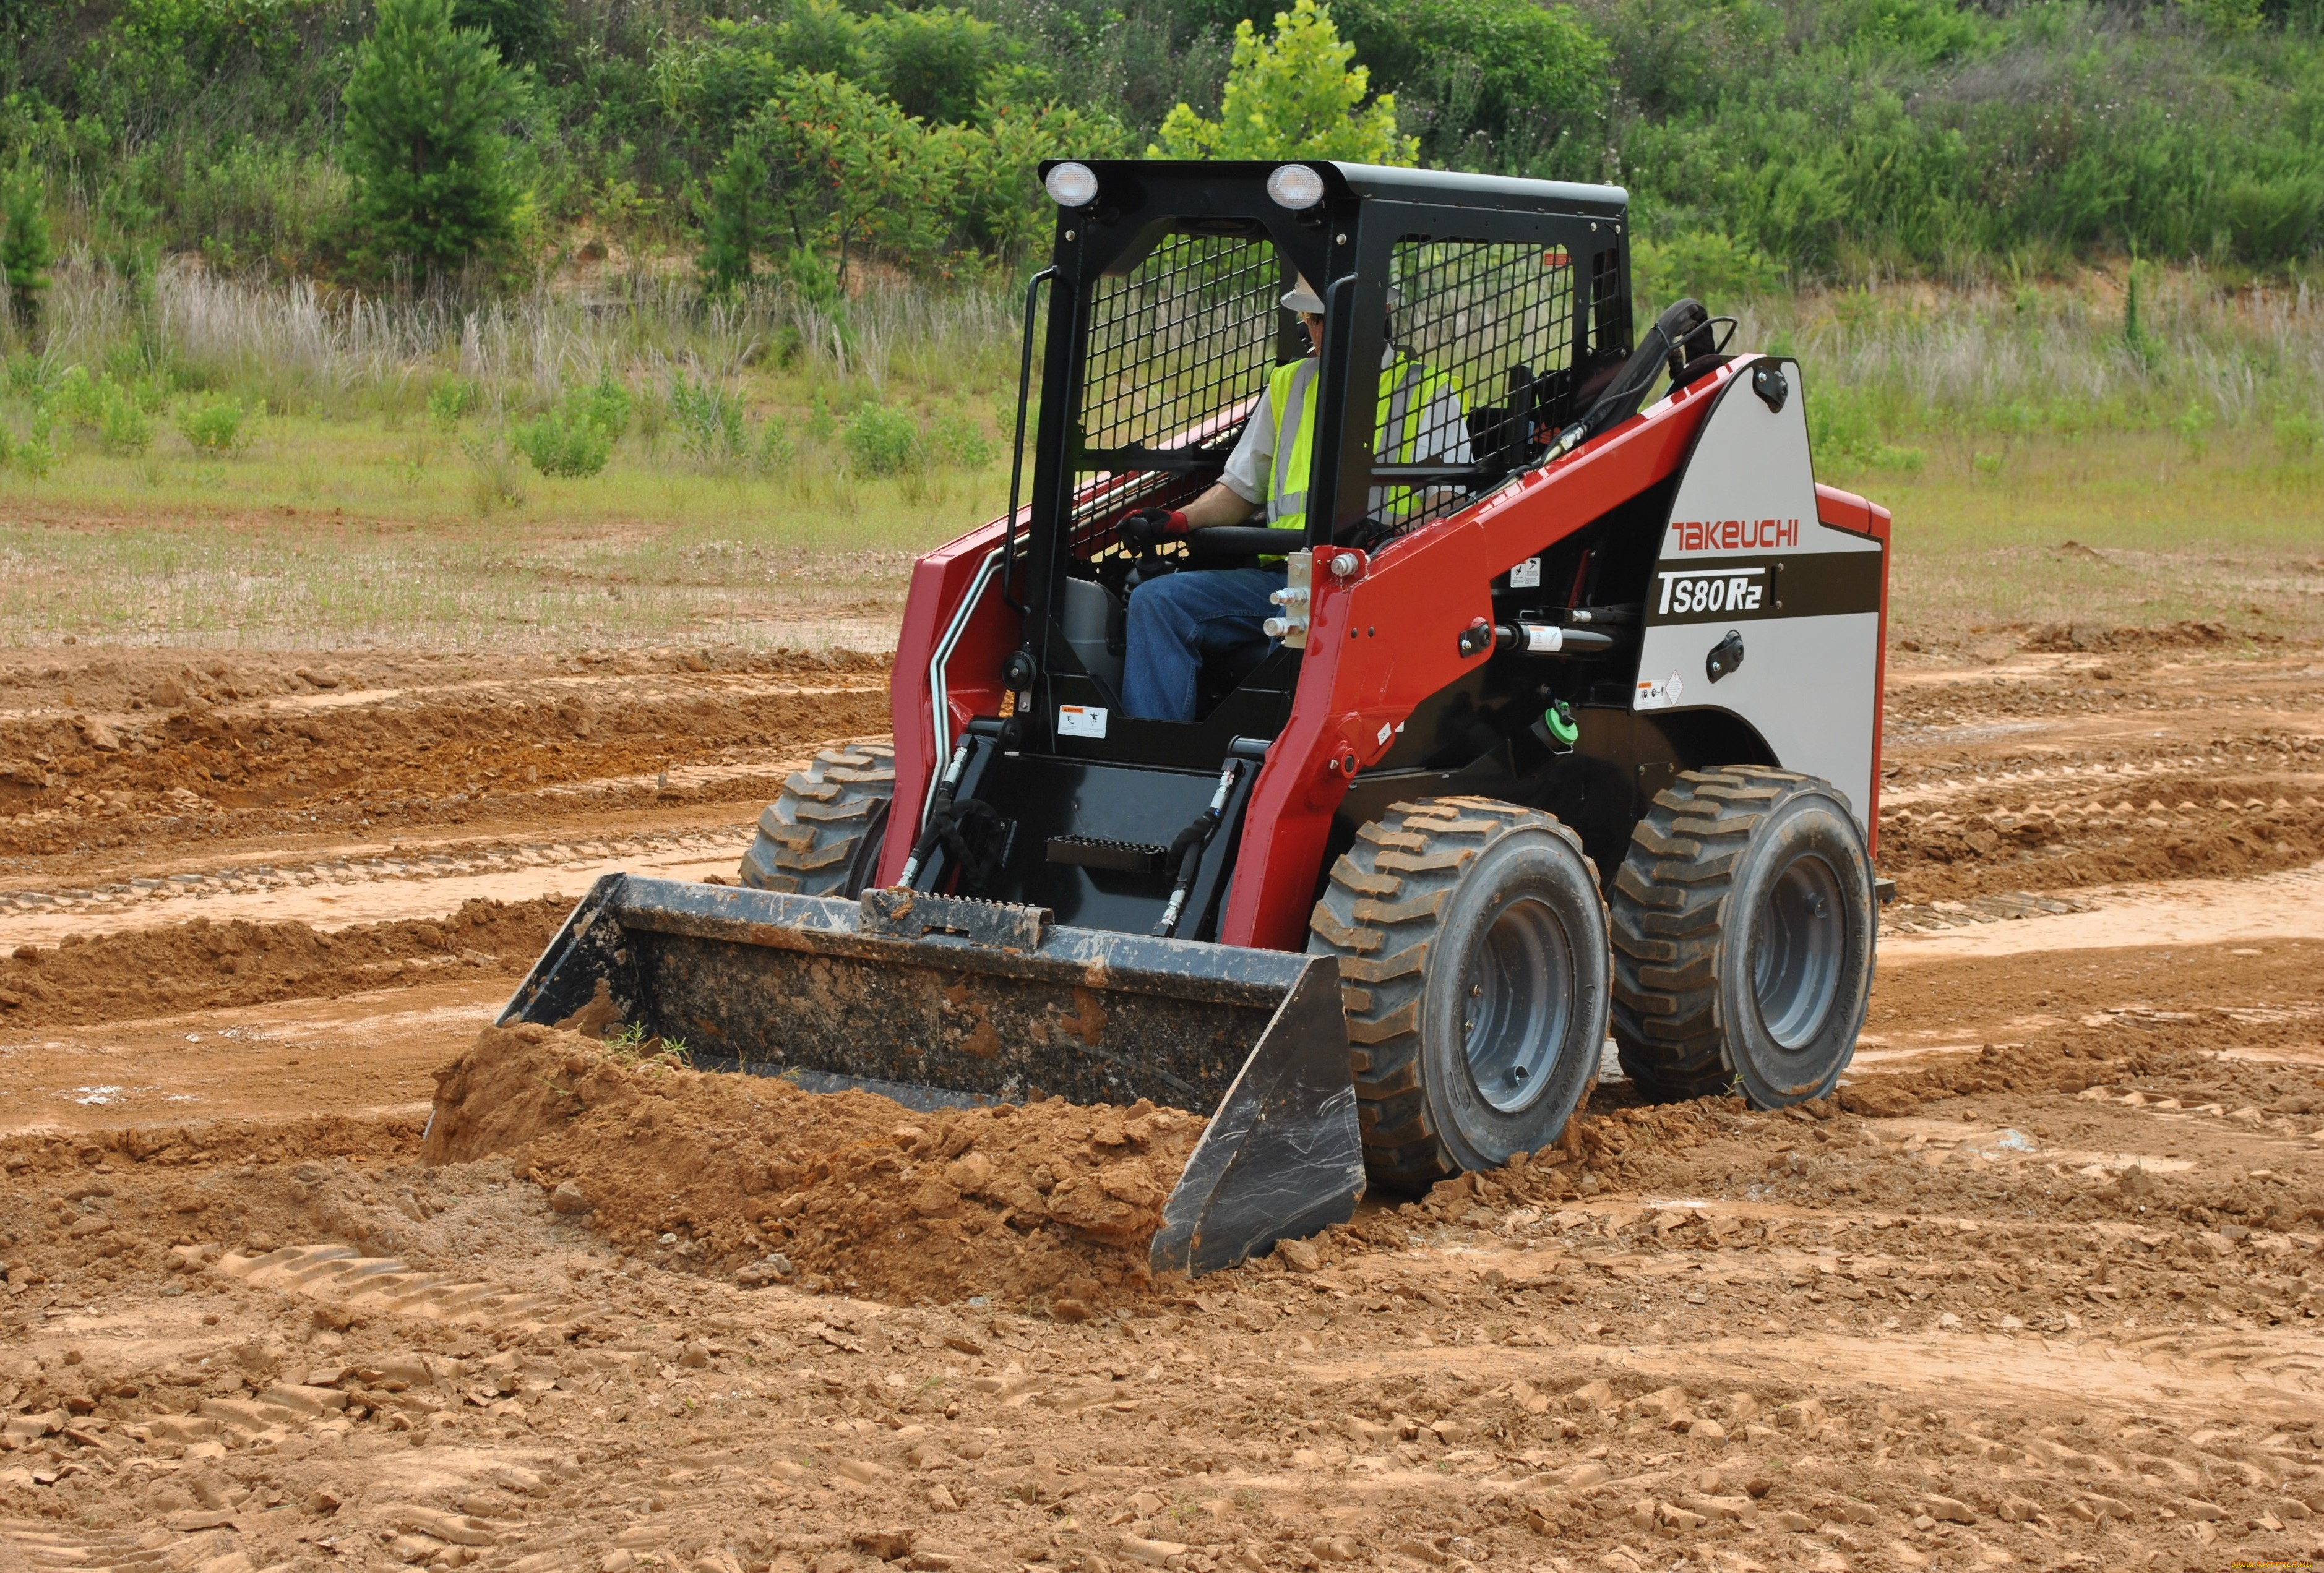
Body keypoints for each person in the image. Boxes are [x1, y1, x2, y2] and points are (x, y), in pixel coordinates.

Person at [1116, 275, 1468, 722]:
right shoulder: (1290, 384)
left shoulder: (1430, 392)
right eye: (1313, 320)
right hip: (1287, 577)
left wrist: (1389, 540)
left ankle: (1266, 763)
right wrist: (1179, 520)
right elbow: (1241, 488)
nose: (1320, 332)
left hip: (1370, 589)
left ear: (1377, 312)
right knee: (1157, 601)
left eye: (1329, 318)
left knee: (1297, 621)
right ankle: (1155, 759)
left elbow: (1444, 506)